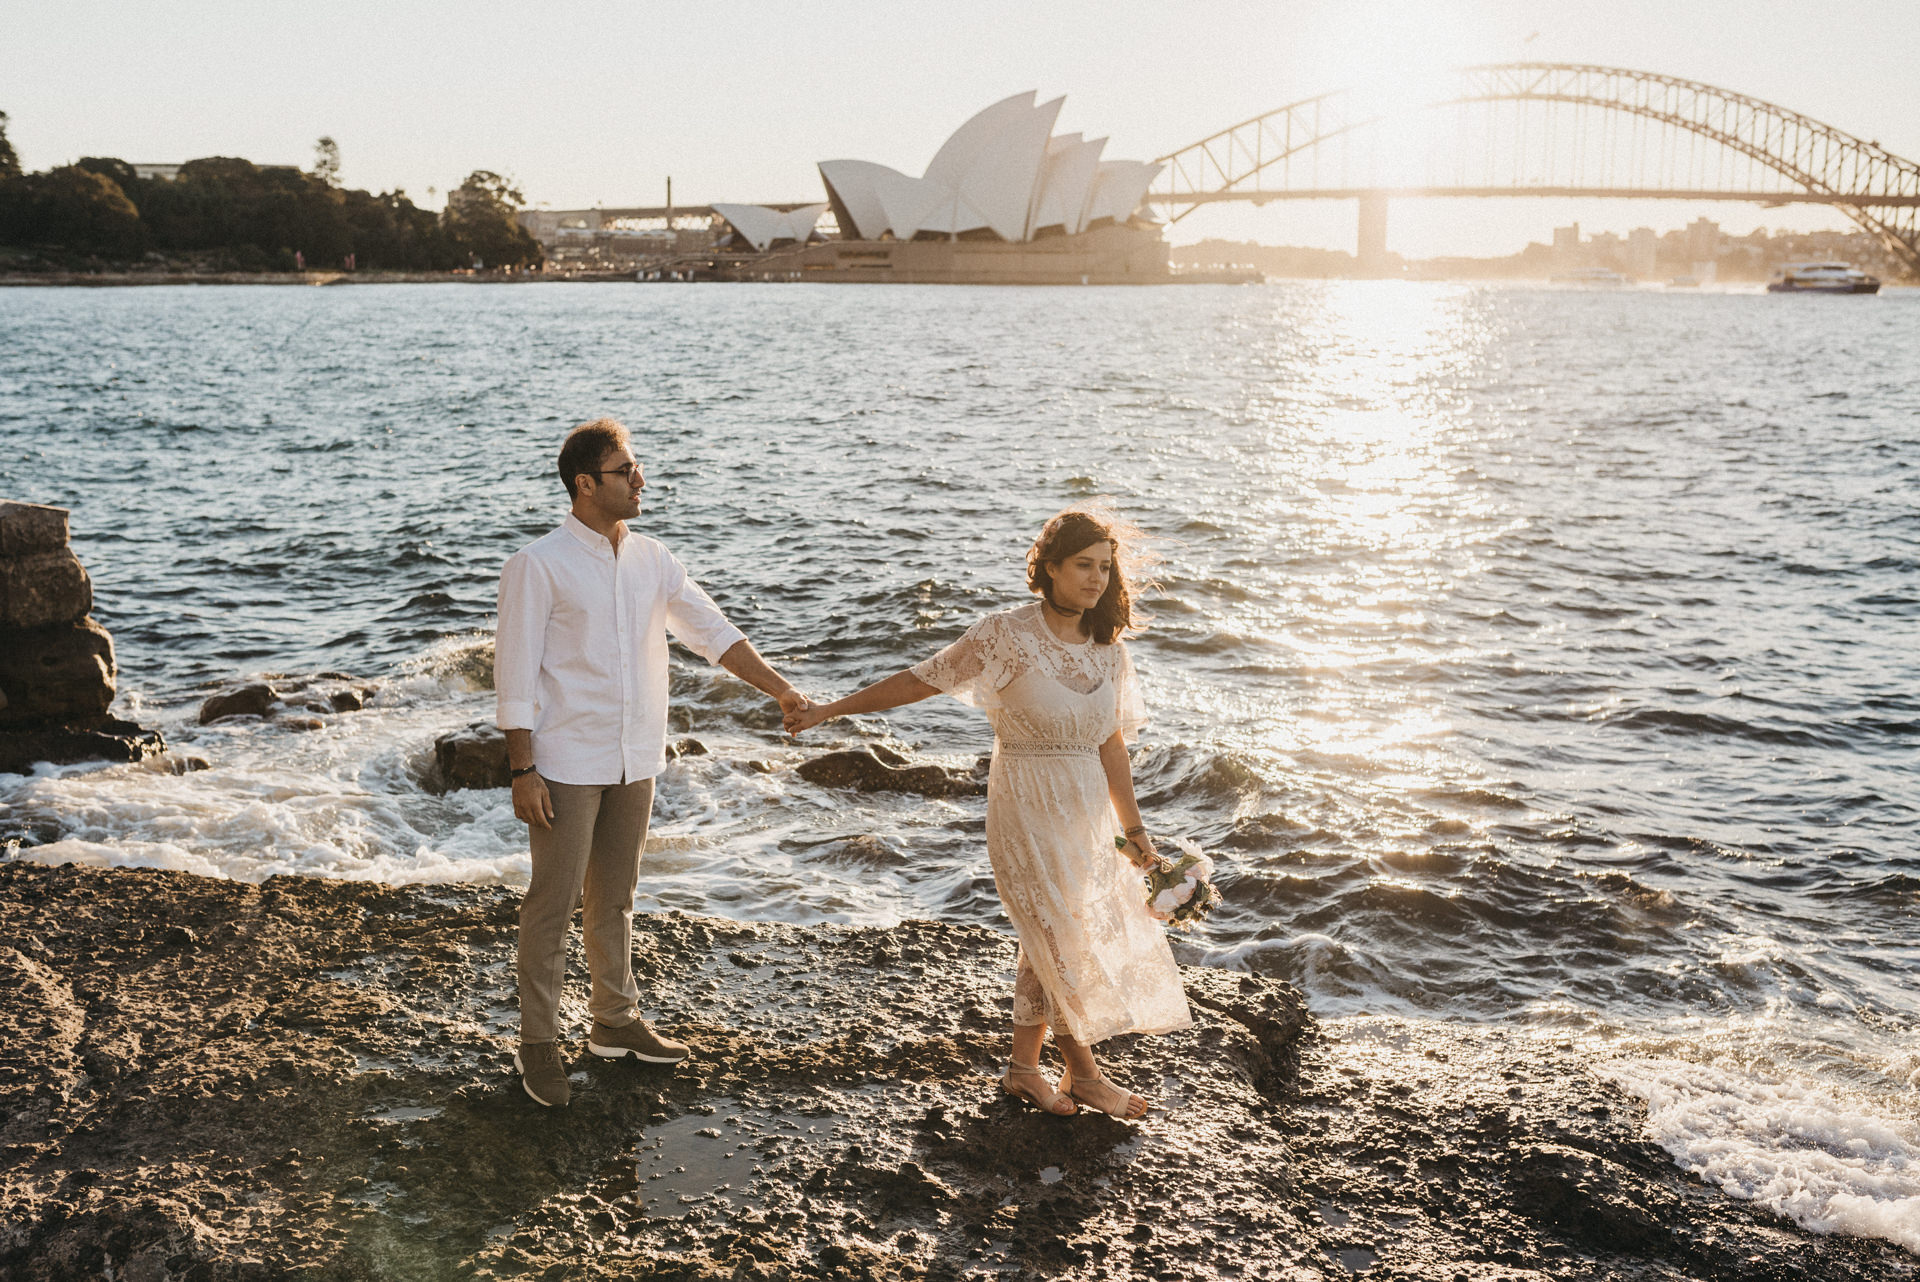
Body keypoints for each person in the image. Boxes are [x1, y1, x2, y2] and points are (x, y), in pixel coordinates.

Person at [787, 508, 1190, 1119]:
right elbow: (921, 680)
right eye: (1083, 565)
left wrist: (1134, 833)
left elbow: (1112, 746)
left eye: (1105, 568)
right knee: (1055, 931)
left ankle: (1024, 1069)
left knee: (1053, 933)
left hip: (1084, 810)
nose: (1096, 579)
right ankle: (1084, 1073)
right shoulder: (1005, 634)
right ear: (1049, 567)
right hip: (1024, 801)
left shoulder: (1109, 651)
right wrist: (828, 710)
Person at [495, 417, 809, 1108]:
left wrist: (781, 688)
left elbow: (714, 634)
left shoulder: (653, 559)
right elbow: (514, 674)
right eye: (625, 471)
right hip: (566, 762)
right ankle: (538, 1047)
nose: (641, 480)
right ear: (585, 483)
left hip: (637, 756)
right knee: (551, 905)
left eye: (636, 468)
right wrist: (523, 770)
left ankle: (614, 1022)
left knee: (617, 898)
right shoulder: (537, 565)